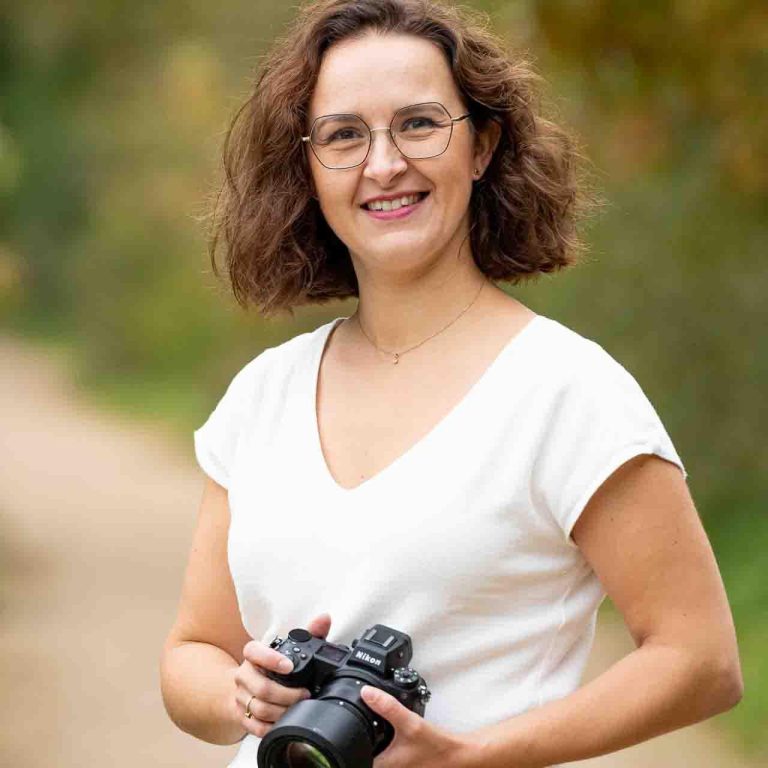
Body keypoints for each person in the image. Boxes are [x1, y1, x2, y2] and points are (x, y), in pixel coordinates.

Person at [160, 1, 743, 766]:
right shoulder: (264, 392)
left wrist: (471, 755)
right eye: (343, 135)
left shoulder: (568, 391)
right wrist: (242, 694)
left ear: (482, 145)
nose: (383, 163)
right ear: (307, 167)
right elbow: (193, 650)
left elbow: (700, 660)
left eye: (419, 123)